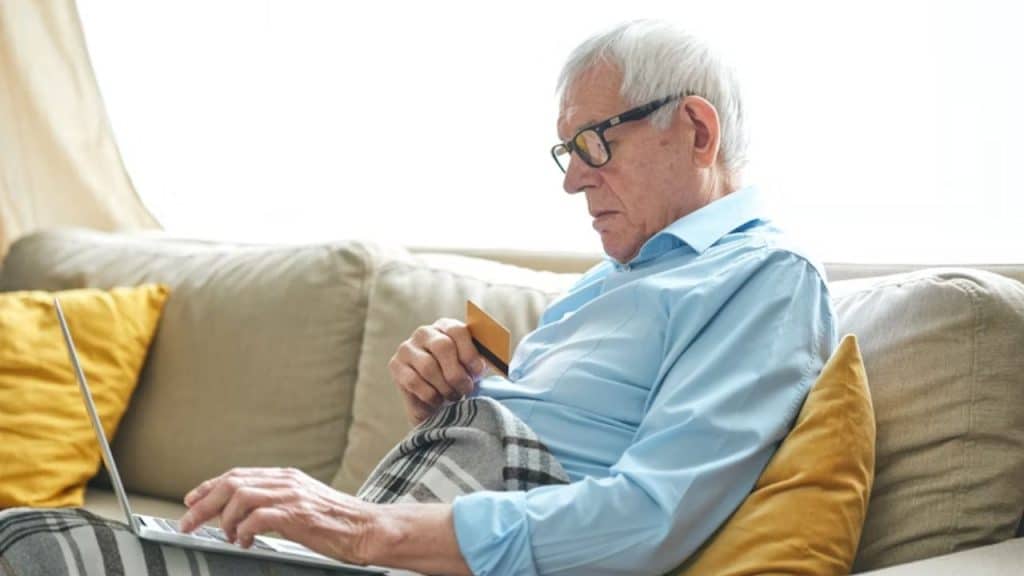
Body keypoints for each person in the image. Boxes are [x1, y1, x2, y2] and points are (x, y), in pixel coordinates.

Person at [177, 20, 837, 575]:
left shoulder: (767, 279)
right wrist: (448, 406)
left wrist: (364, 527)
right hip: (426, 516)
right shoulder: (605, 281)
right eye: (568, 150)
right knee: (126, 546)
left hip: (424, 535)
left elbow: (651, 517)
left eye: (595, 143)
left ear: (696, 130)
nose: (573, 180)